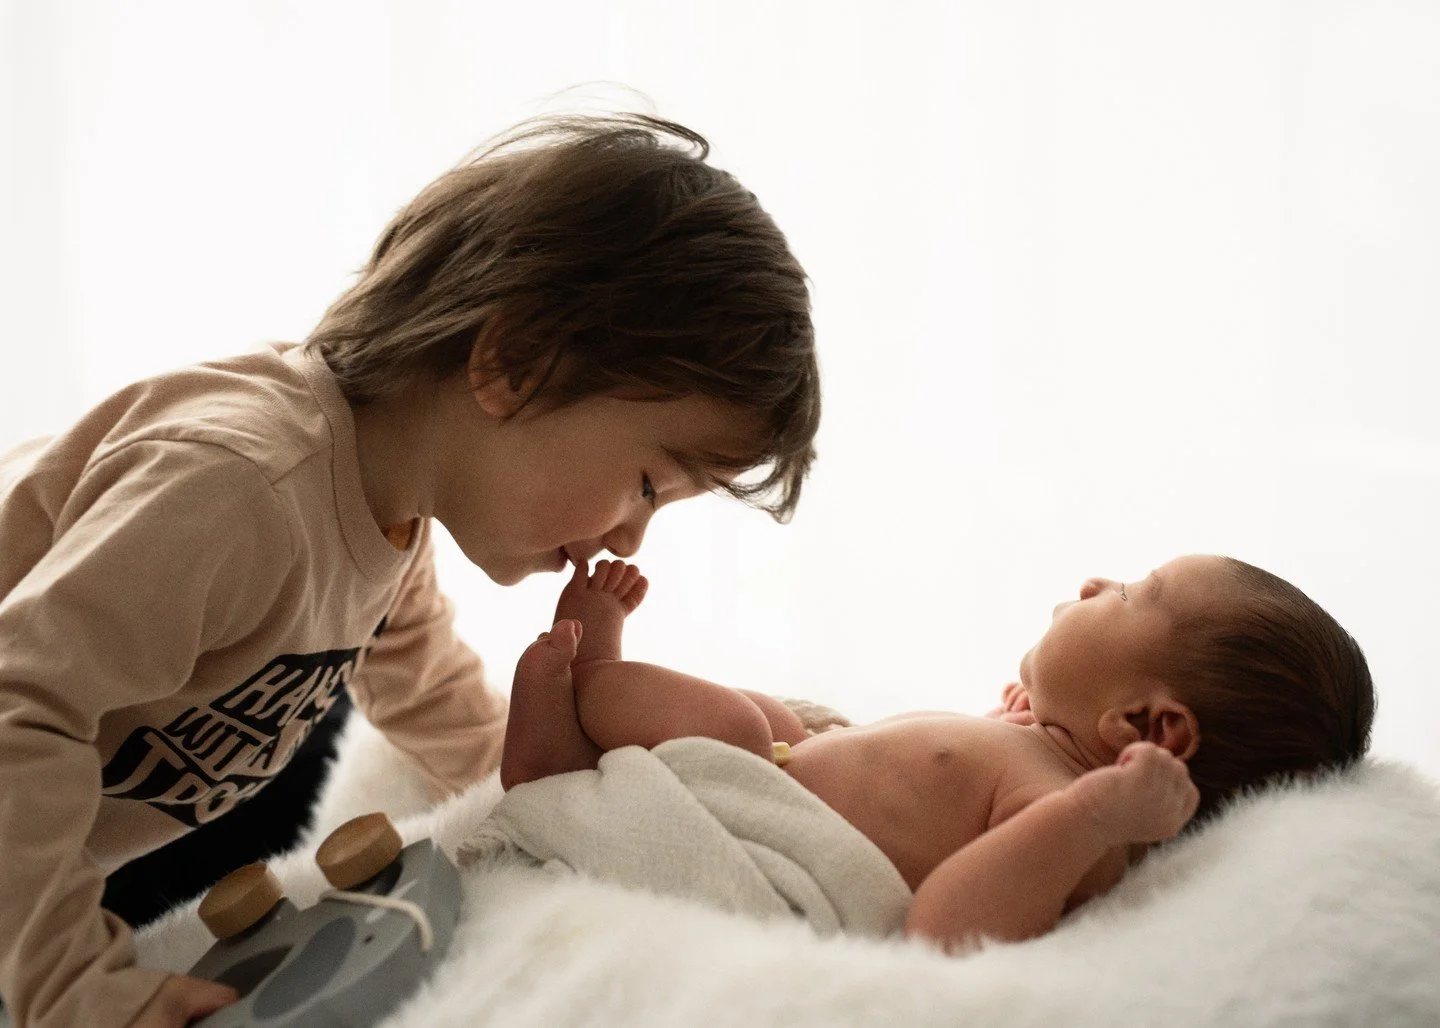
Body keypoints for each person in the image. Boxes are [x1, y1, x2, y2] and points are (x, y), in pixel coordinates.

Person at [0, 113, 820, 1028]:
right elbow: (19, 709)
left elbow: (449, 718)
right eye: (645, 484)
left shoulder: (387, 525)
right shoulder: (241, 489)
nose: (630, 541)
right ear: (514, 363)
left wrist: (606, 803)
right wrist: (74, 984)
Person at [501, 553, 1375, 952]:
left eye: (1137, 591)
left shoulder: (1077, 828)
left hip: (770, 821)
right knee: (762, 716)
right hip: (788, 763)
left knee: (725, 723)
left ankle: (558, 757)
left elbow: (946, 930)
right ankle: (591, 701)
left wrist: (1090, 811)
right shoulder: (1041, 747)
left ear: (1148, 730)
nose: (1094, 583)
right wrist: (1024, 722)